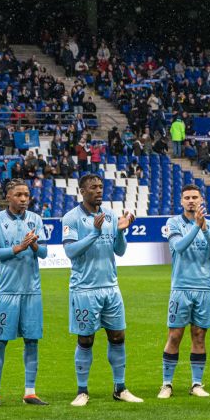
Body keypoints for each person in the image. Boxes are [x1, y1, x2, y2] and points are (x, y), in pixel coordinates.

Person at [62, 174, 141, 406]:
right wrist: (94, 233)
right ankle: (82, 391)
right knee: (85, 339)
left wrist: (121, 231)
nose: (98, 190)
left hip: (111, 287)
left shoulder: (110, 215)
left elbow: (120, 251)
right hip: (84, 289)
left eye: (100, 187)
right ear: (82, 191)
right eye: (93, 187)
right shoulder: (71, 218)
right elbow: (70, 251)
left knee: (118, 336)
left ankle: (120, 388)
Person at [0, 179, 49, 408]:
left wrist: (33, 246)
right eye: (19, 194)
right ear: (8, 197)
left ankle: (30, 392)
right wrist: (18, 248)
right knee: (0, 340)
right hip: (7, 291)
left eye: (27, 194)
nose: (24, 198)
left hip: (32, 291)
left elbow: (44, 253)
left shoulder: (36, 220)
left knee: (32, 341)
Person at [158, 185, 210, 399]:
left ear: (201, 199)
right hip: (181, 288)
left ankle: (196, 384)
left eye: (195, 197)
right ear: (181, 201)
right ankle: (167, 384)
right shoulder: (173, 223)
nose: (191, 201)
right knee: (175, 335)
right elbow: (179, 247)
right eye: (187, 197)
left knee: (199, 336)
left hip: (204, 288)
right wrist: (197, 226)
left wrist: (204, 228)